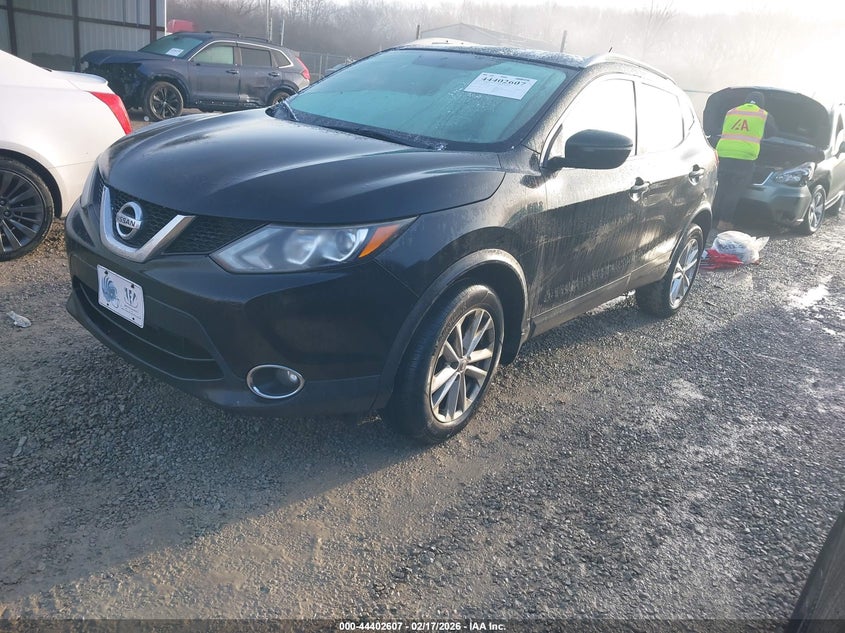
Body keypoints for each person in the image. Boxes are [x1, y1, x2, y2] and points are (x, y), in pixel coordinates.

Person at [712, 90, 778, 230]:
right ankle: (724, 221)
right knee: (733, 191)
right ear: (761, 103)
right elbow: (772, 133)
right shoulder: (763, 114)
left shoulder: (732, 112)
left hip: (723, 153)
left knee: (720, 188)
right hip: (744, 157)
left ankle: (712, 218)